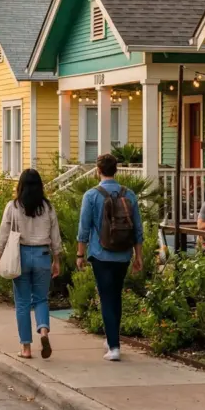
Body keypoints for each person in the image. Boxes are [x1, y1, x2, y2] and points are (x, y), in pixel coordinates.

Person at [76, 153, 144, 362]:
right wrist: (138, 255)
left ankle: (114, 346)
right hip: (123, 254)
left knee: (106, 297)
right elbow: (138, 228)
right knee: (116, 295)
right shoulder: (129, 194)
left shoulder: (91, 195)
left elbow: (84, 227)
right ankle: (111, 337)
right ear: (116, 170)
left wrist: (80, 253)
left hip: (100, 253)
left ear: (98, 170)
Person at [0, 169, 62, 359]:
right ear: (40, 187)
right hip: (43, 254)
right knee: (41, 299)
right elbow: (55, 237)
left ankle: (26, 348)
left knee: (22, 303)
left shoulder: (13, 207)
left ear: (20, 186)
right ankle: (44, 331)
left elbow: (3, 238)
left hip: (19, 256)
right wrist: (57, 260)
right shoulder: (48, 207)